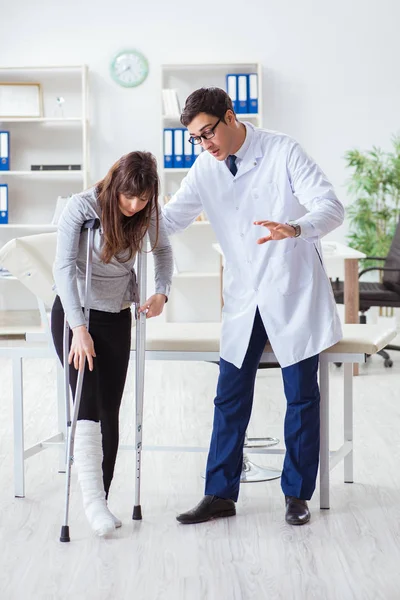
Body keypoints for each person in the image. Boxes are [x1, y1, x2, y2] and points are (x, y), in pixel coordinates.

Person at [162, 87, 344, 526]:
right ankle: (219, 493)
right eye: (196, 139)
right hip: (246, 296)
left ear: (230, 116)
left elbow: (331, 207)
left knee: (300, 396)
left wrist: (296, 227)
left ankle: (297, 495)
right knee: (229, 396)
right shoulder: (205, 167)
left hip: (292, 290)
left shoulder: (283, 151)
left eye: (208, 133)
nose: (205, 145)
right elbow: (169, 221)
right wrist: (113, 209)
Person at [51, 151, 173, 536]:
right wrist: (78, 328)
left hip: (118, 315)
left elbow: (164, 251)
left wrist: (162, 292)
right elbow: (63, 267)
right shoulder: (81, 206)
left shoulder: (148, 211)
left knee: (109, 410)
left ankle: (100, 498)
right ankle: (91, 504)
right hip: (76, 314)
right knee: (85, 402)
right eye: (127, 198)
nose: (134, 206)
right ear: (114, 185)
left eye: (142, 199)